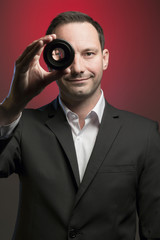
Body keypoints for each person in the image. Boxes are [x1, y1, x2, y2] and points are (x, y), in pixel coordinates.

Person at [0, 11, 160, 240]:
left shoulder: (144, 134)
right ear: (50, 59)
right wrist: (13, 103)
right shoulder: (21, 124)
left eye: (89, 53)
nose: (77, 68)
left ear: (104, 58)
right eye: (64, 54)